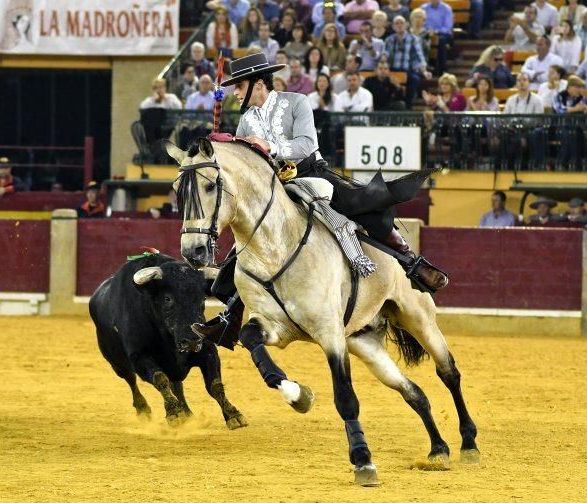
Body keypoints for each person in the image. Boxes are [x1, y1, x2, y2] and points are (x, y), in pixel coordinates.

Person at [193, 52, 446, 347]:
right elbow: (247, 164)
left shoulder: (296, 102)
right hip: (273, 187)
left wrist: (268, 145)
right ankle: (230, 318)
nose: (236, 91)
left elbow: (306, 145)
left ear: (258, 83)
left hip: (311, 173)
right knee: (246, 243)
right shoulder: (246, 120)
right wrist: (223, 149)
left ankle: (413, 263)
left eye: (240, 84)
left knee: (361, 204)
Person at [383, 16, 433, 109]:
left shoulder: (414, 39)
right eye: (396, 23)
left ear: (406, 25)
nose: (399, 25)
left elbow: (419, 57)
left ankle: (407, 104)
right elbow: (385, 55)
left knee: (415, 79)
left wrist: (424, 71)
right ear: (393, 27)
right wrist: (384, 58)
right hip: (392, 70)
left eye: (401, 23)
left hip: (408, 69)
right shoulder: (388, 40)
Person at [504, 73, 546, 168]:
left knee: (533, 135)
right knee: (503, 135)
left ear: (529, 83)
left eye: (524, 80)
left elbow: (538, 120)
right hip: (513, 129)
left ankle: (532, 166)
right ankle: (506, 167)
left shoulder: (537, 99)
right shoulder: (511, 99)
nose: (521, 82)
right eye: (519, 80)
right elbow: (505, 117)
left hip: (530, 129)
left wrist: (523, 127)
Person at [553, 75, 587, 167]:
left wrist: (574, 109)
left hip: (575, 125)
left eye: (581, 87)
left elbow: (583, 108)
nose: (579, 90)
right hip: (559, 125)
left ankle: (576, 164)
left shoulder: (582, 98)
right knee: (566, 135)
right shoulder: (559, 96)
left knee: (577, 134)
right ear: (569, 87)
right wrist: (575, 109)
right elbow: (559, 110)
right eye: (577, 87)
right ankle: (562, 163)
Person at [423, 0, 454, 73]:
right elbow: (422, 23)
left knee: (441, 40)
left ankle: (442, 68)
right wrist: (427, 31)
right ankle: (426, 66)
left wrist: (436, 31)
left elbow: (447, 27)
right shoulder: (424, 8)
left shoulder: (446, 8)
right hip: (427, 32)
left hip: (443, 33)